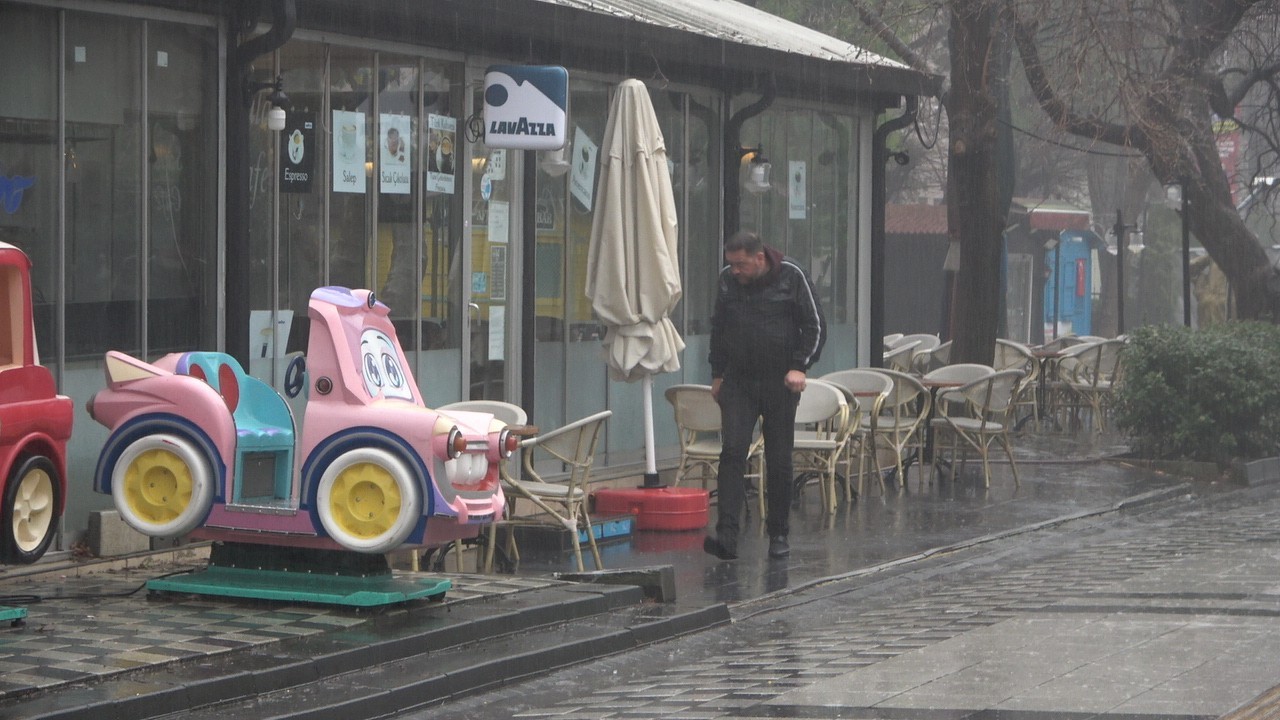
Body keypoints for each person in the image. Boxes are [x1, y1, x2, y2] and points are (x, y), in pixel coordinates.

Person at [705, 229, 825, 560]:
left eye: (741, 265)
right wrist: (717, 373)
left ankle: (779, 533)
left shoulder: (792, 275)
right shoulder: (728, 281)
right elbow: (719, 328)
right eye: (731, 264)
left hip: (779, 381)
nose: (735, 271)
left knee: (778, 457)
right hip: (739, 380)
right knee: (732, 452)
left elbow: (815, 325)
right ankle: (727, 536)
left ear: (759, 258)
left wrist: (800, 366)